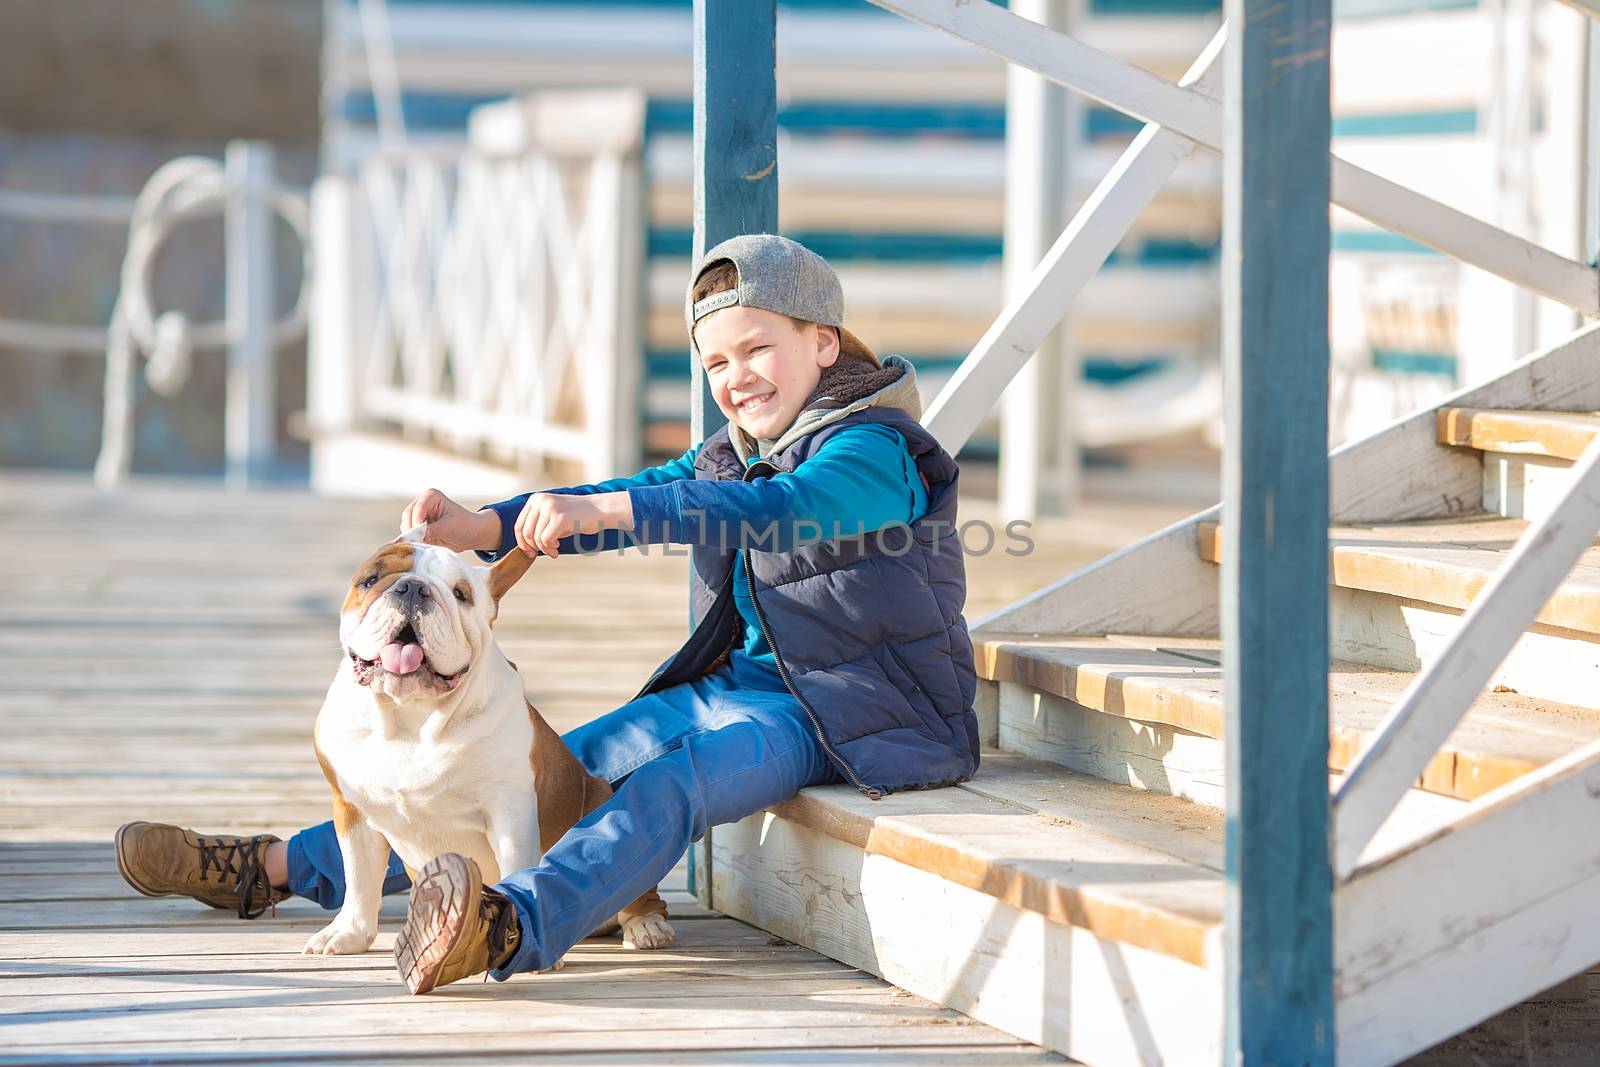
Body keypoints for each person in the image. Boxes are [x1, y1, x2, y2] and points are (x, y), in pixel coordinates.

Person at [114, 233, 981, 994]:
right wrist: (486, 524)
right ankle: (265, 868)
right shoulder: (740, 451)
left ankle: (509, 925)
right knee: (554, 768)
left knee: (671, 786)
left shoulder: (875, 448)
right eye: (715, 363)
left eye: (757, 349)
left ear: (824, 342)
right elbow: (632, 492)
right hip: (738, 685)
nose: (735, 378)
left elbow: (780, 510)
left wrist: (619, 517)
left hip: (844, 711)